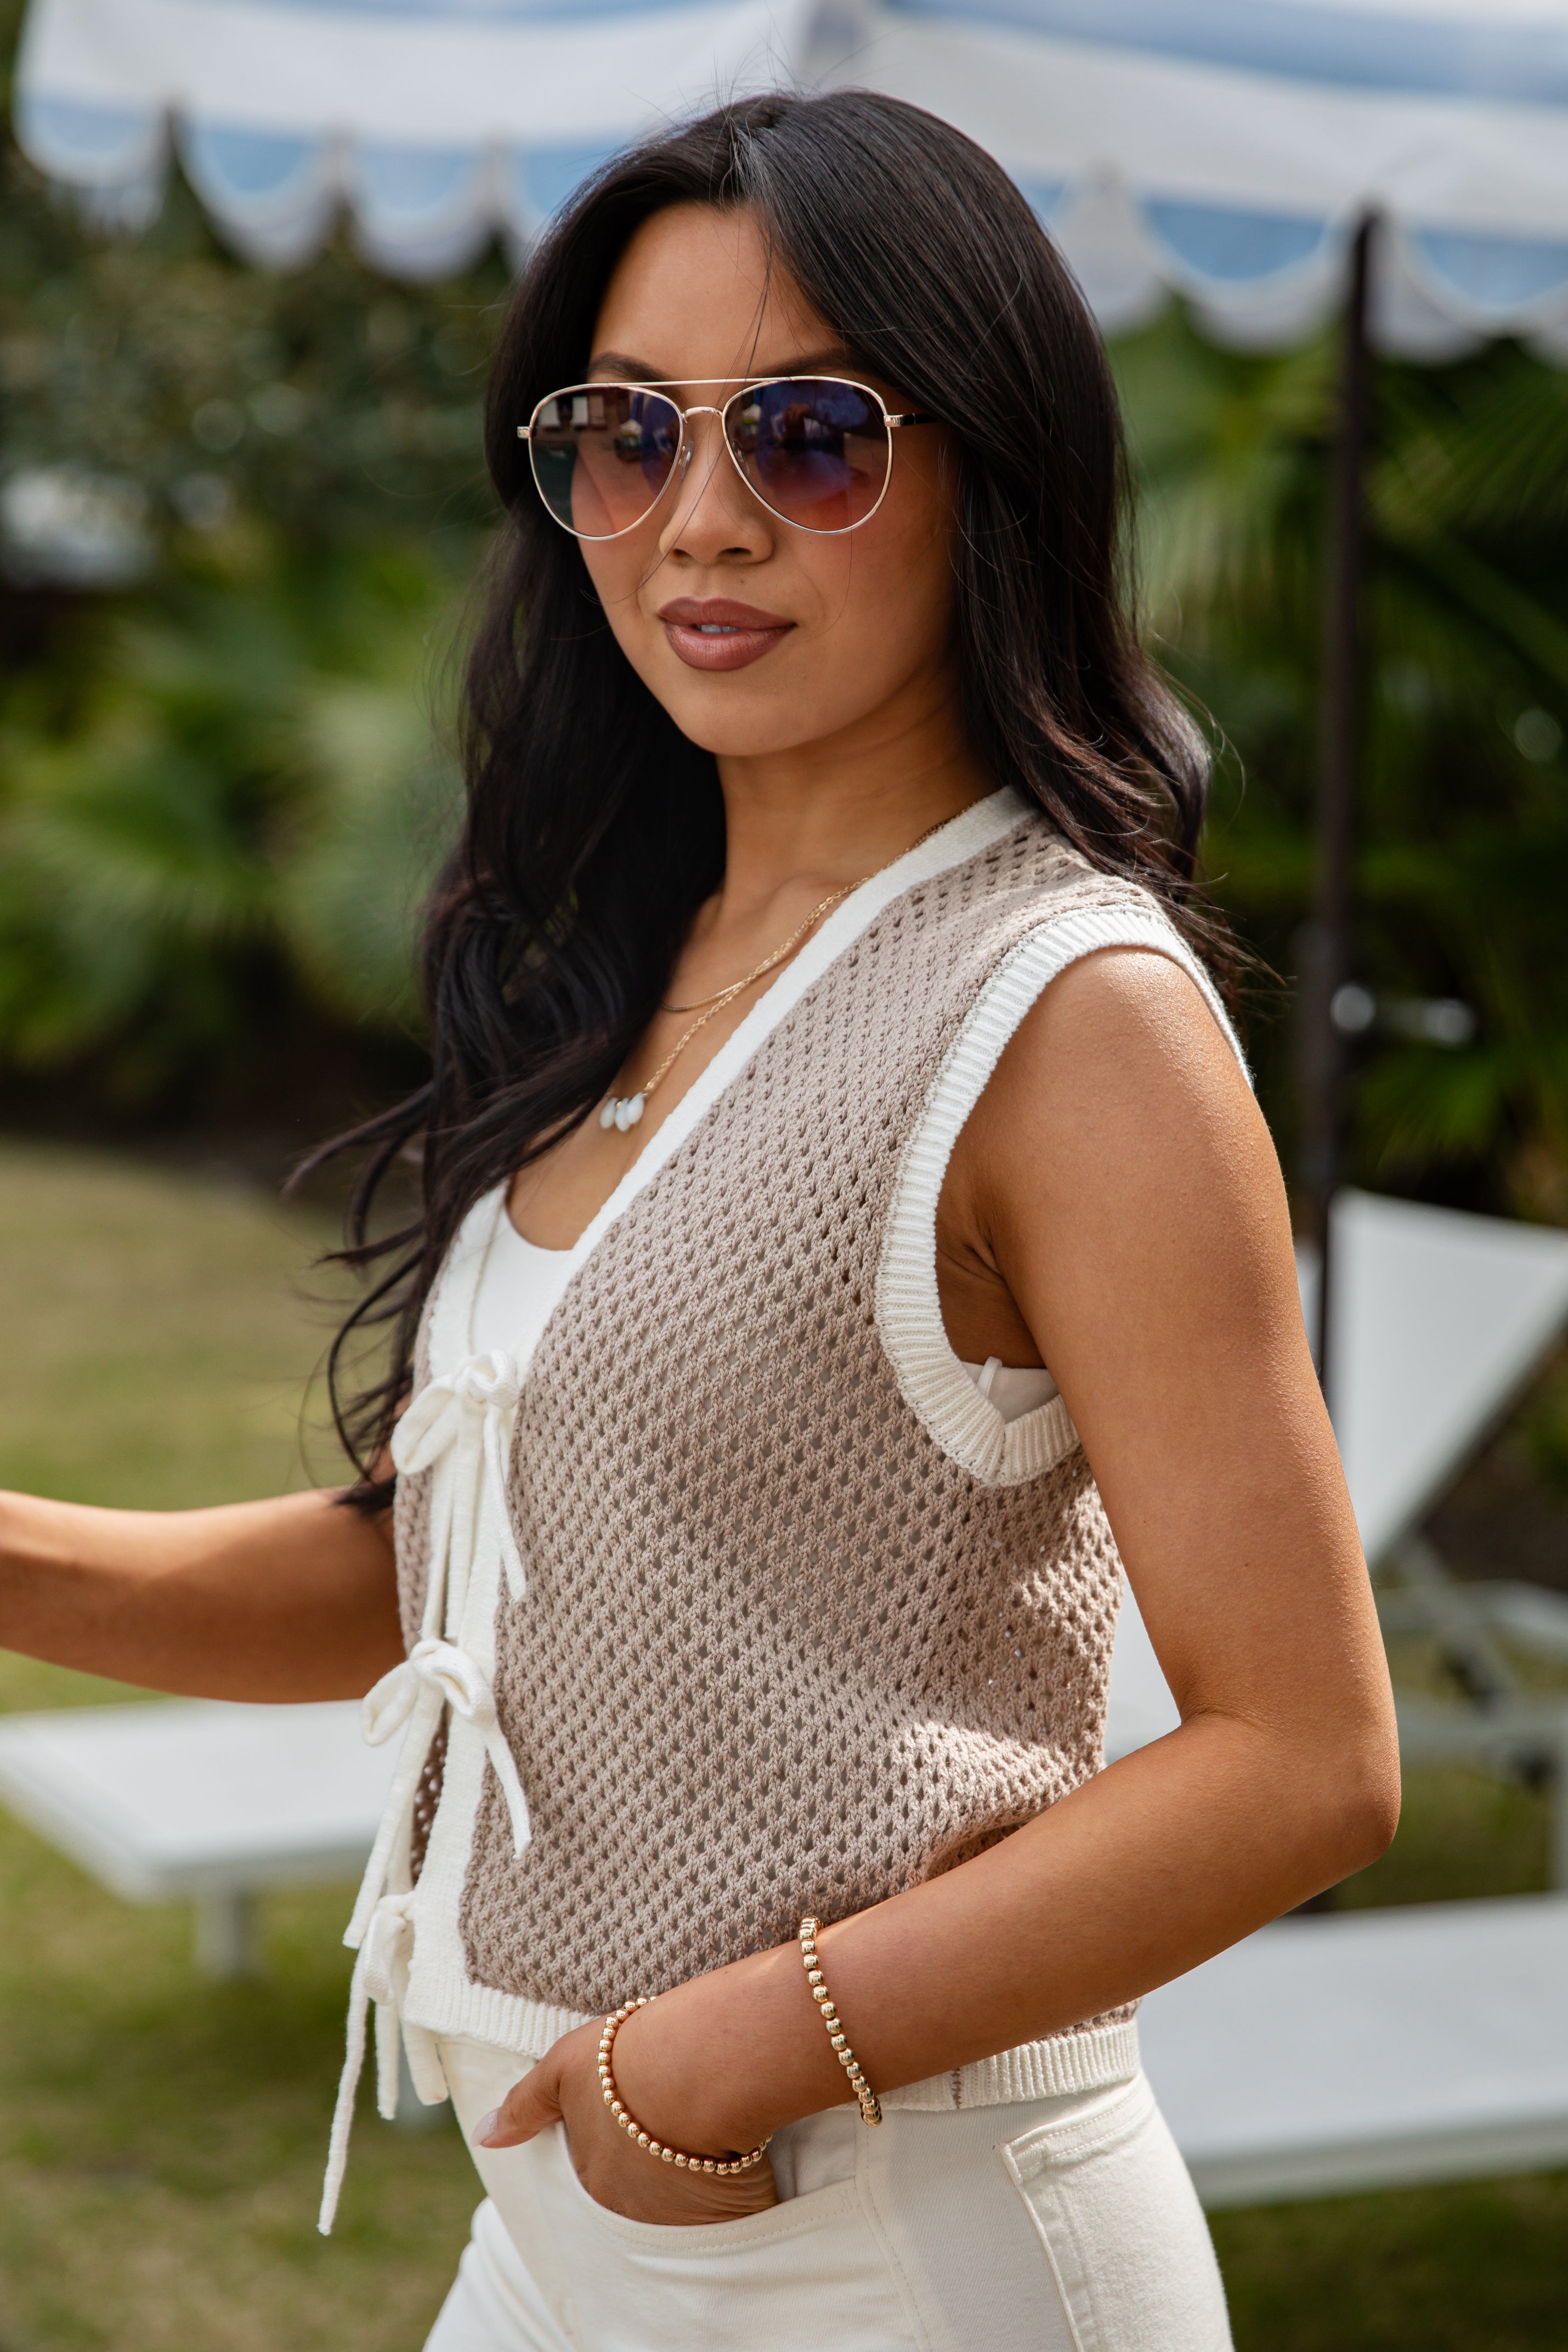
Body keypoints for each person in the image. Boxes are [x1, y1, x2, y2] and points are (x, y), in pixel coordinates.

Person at [0, 89, 1397, 2352]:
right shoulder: (654, 965)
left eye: (814, 434)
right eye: (626, 435)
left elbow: (1305, 1754)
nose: (701, 521)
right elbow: (446, 1567)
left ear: (992, 472)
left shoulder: (1067, 1010)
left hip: (885, 2234)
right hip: (571, 2224)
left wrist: (724, 2060)